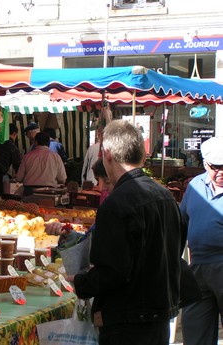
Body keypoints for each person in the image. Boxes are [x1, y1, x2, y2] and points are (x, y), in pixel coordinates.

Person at [68, 120, 186, 345]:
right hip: (159, 318)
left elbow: (113, 271)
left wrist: (81, 283)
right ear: (142, 156)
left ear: (108, 154)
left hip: (128, 322)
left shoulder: (117, 203)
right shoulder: (166, 197)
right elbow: (174, 251)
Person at [180, 136, 223, 345]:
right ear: (205, 164)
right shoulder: (195, 186)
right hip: (197, 266)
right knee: (195, 330)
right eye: (216, 167)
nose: (221, 172)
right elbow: (181, 222)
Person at [16, 131, 67, 196]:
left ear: (36, 142)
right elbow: (62, 179)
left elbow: (19, 178)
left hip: (29, 192)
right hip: (49, 192)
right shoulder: (56, 157)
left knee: (29, 206)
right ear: (48, 143)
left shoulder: (27, 156)